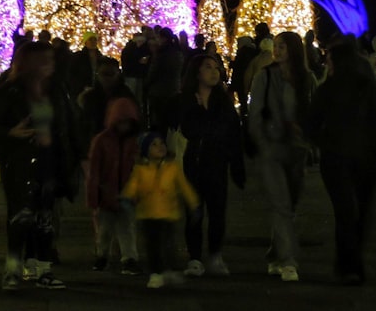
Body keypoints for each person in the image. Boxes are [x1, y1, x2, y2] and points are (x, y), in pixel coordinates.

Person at [0, 40, 82, 291]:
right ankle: (13, 268)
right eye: (45, 60)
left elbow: (70, 122)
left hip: (51, 158)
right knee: (20, 215)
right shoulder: (12, 90)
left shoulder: (57, 89)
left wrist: (76, 154)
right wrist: (11, 132)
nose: (51, 64)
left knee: (45, 216)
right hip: (20, 161)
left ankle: (43, 269)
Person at [307, 36, 376, 285]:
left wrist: (323, 140)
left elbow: (311, 124)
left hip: (335, 158)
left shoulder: (327, 89)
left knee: (344, 211)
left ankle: (347, 263)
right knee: (362, 211)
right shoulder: (367, 86)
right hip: (366, 158)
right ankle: (352, 261)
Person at [247, 30, 317, 282]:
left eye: (282, 47)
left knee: (291, 204)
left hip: (297, 149)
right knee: (282, 204)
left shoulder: (306, 79)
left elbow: (313, 113)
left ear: (294, 50)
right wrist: (261, 140)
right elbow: (254, 112)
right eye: (275, 46)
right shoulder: (264, 76)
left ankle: (276, 254)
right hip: (272, 148)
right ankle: (288, 261)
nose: (276, 51)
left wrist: (308, 139)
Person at [178, 54, 246, 277]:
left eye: (217, 67)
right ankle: (195, 258)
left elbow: (233, 134)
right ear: (197, 72)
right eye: (208, 67)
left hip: (217, 163)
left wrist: (237, 165)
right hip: (195, 163)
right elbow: (190, 129)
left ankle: (215, 255)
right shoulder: (187, 100)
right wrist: (199, 113)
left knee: (217, 212)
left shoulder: (224, 101)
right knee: (194, 212)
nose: (214, 71)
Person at [120, 131, 200, 289]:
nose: (160, 147)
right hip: (148, 215)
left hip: (169, 214)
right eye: (154, 145)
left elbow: (184, 187)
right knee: (153, 246)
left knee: (170, 245)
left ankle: (168, 270)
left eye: (161, 143)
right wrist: (126, 198)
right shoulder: (140, 170)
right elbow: (132, 187)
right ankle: (156, 273)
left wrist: (194, 204)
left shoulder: (173, 168)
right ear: (145, 150)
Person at [86, 96, 142, 274]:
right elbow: (94, 172)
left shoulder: (129, 142)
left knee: (126, 229)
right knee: (105, 231)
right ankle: (103, 256)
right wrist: (94, 197)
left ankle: (128, 258)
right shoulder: (103, 141)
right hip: (107, 195)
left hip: (124, 195)